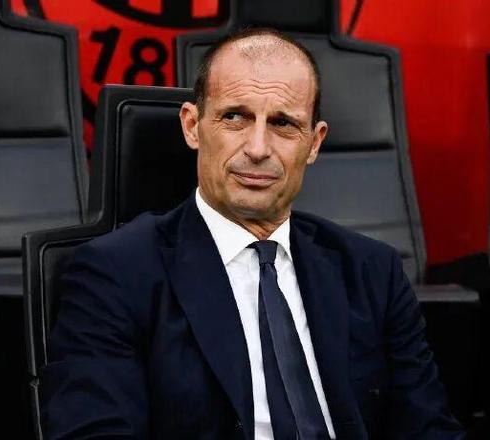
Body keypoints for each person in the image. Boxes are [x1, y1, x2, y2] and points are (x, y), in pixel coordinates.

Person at [41, 27, 464, 440]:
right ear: (192, 125)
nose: (258, 148)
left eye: (283, 124)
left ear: (314, 143)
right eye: (235, 117)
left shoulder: (373, 271)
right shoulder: (115, 273)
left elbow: (429, 427)